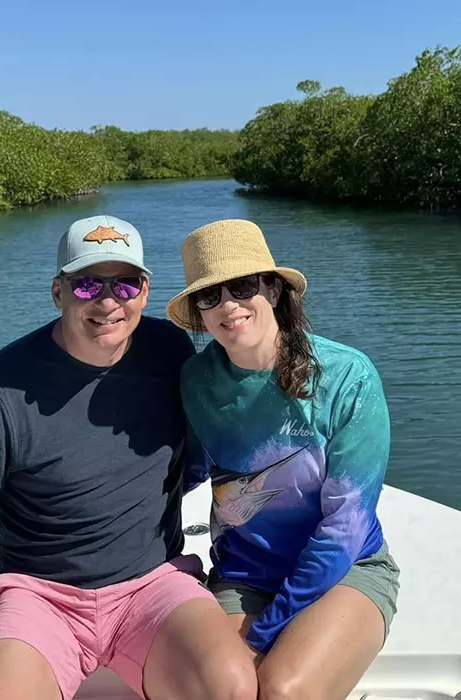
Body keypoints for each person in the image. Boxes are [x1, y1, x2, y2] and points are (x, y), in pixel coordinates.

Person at [0, 215, 258, 700]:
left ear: (144, 291)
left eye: (124, 284)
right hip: (40, 596)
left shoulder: (170, 352)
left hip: (153, 584)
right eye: (86, 285)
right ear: (57, 293)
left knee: (230, 685)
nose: (107, 302)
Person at [167, 218, 400, 700]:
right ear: (199, 312)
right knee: (220, 688)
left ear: (272, 289)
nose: (228, 305)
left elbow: (346, 525)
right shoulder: (195, 379)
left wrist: (265, 634)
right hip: (244, 574)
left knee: (282, 689)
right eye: (210, 296)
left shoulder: (347, 376)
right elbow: (177, 474)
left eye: (243, 286)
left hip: (348, 570)